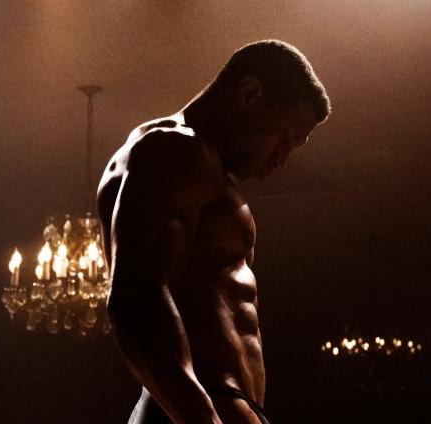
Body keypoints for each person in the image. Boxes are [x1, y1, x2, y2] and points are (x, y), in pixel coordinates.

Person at [96, 40, 331, 424]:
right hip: (200, 405)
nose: (282, 159)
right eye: (285, 136)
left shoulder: (196, 165)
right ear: (250, 94)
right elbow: (135, 299)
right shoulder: (176, 150)